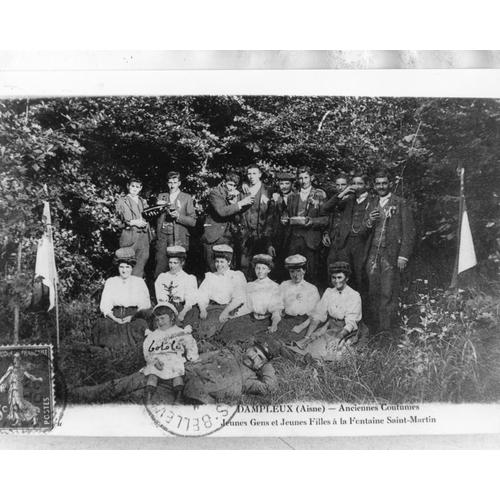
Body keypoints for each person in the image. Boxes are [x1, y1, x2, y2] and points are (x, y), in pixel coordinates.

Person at [69, 343, 277, 405]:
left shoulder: (249, 380)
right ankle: (78, 394)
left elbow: (270, 388)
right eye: (255, 351)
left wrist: (267, 365)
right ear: (249, 347)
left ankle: (92, 409)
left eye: (260, 358)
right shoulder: (226, 352)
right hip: (177, 374)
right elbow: (195, 359)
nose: (254, 357)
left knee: (136, 399)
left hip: (187, 394)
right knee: (130, 381)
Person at [364, 169, 416, 334]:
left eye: (384, 183)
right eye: (378, 184)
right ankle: (373, 330)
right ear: (374, 185)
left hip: (391, 255)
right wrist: (369, 222)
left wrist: (403, 255)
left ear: (390, 184)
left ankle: (386, 331)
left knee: (388, 292)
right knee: (373, 291)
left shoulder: (400, 202)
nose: (381, 186)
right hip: (373, 254)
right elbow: (363, 230)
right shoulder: (371, 203)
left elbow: (409, 231)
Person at [288, 261, 365, 362]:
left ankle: (316, 360)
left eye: (339, 277)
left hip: (347, 331)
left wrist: (338, 338)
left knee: (333, 350)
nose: (336, 281)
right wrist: (307, 337)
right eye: (334, 277)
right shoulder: (329, 292)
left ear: (347, 278)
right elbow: (319, 314)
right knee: (313, 346)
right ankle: (304, 356)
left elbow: (351, 323)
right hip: (332, 328)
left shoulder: (354, 296)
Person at [323, 172, 374, 296]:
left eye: (360, 184)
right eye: (354, 184)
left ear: (366, 185)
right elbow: (326, 208)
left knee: (360, 276)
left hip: (362, 243)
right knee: (347, 275)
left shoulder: (372, 200)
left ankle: (362, 310)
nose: (356, 186)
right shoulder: (349, 199)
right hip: (346, 242)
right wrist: (344, 192)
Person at [92, 247, 151, 352]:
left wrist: (132, 317)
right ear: (118, 267)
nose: (124, 270)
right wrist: (115, 319)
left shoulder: (139, 282)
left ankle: (131, 352)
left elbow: (145, 305)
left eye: (127, 267)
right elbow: (105, 305)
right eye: (121, 267)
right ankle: (112, 351)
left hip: (134, 314)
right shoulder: (111, 281)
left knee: (140, 325)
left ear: (132, 267)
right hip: (115, 314)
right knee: (102, 325)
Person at [216, 254, 282, 345]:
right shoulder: (250, 285)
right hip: (252, 318)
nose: (260, 271)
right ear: (254, 269)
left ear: (269, 270)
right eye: (258, 268)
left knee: (251, 340)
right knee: (229, 328)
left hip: (266, 321)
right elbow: (247, 307)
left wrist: (274, 324)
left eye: (263, 268)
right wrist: (234, 316)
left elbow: (276, 310)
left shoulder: (274, 287)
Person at [142, 304, 199, 403]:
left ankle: (179, 396)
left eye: (163, 318)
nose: (160, 322)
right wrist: (153, 361)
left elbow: (190, 344)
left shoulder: (180, 332)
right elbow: (147, 350)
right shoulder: (153, 335)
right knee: (152, 374)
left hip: (174, 358)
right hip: (158, 360)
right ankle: (148, 397)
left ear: (172, 317)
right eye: (157, 319)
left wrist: (192, 357)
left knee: (177, 373)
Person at [201, 171, 255, 271]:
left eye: (234, 186)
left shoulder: (234, 194)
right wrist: (239, 203)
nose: (231, 188)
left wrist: (235, 202)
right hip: (214, 236)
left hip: (229, 236)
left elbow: (239, 214)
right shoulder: (215, 193)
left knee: (227, 270)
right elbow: (221, 211)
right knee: (212, 269)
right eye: (230, 184)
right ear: (223, 182)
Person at [283, 167, 328, 285]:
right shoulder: (292, 196)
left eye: (306, 177)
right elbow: (287, 214)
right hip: (294, 239)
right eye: (301, 178)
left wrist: (312, 221)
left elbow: (326, 219)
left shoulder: (319, 194)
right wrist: (285, 219)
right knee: (294, 272)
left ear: (311, 178)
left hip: (311, 240)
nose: (303, 180)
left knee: (311, 273)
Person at [195, 244, 247, 338]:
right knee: (194, 319)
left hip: (228, 308)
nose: (219, 265)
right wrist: (202, 309)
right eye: (217, 261)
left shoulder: (235, 276)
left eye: (222, 262)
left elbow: (239, 298)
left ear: (229, 262)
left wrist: (225, 312)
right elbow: (202, 294)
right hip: (211, 308)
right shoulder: (211, 276)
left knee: (211, 327)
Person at [235, 164, 276, 279]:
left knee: (261, 268)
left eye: (254, 173)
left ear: (260, 174)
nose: (251, 176)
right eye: (249, 173)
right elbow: (237, 213)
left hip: (262, 236)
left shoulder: (269, 190)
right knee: (244, 267)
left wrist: (268, 240)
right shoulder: (242, 190)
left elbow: (271, 216)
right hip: (245, 237)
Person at [154, 171, 196, 278]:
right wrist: (156, 209)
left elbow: (193, 221)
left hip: (178, 237)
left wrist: (178, 216)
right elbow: (155, 218)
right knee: (160, 267)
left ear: (179, 183)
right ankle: (159, 293)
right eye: (169, 182)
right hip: (162, 237)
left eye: (175, 182)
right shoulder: (162, 196)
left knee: (177, 268)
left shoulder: (186, 198)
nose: (172, 185)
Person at [274, 254, 321, 342]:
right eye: (292, 271)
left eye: (299, 271)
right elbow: (277, 305)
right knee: (273, 339)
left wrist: (301, 326)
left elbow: (316, 314)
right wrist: (275, 322)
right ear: (289, 272)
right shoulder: (284, 285)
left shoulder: (311, 289)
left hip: (304, 323)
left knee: (290, 343)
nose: (296, 275)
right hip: (285, 320)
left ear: (304, 271)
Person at [115, 178, 151, 277]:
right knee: (127, 265)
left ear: (141, 188)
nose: (135, 189)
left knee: (140, 266)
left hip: (144, 238)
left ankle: (137, 288)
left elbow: (149, 216)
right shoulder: (122, 201)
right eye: (133, 186)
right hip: (129, 238)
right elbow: (117, 222)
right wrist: (132, 222)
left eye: (137, 187)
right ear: (128, 186)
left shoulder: (143, 201)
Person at [154, 246, 198, 324]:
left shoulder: (188, 278)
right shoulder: (162, 277)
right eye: (170, 262)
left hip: (181, 309)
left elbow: (190, 301)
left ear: (182, 263)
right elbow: (160, 298)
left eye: (175, 263)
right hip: (165, 308)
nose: (172, 266)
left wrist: (182, 313)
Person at [0, 353, 43, 426]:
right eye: (15, 358)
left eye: (17, 358)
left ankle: (34, 415)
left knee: (21, 404)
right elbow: (5, 376)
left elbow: (29, 376)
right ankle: (18, 420)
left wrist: (37, 379)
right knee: (13, 403)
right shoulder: (11, 368)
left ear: (19, 360)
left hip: (18, 387)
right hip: (12, 388)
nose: (15, 360)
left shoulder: (22, 368)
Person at [271, 170, 296, 281]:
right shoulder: (275, 198)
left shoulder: (297, 197)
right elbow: (269, 221)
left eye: (287, 183)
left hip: (292, 240)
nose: (284, 186)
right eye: (281, 183)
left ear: (291, 184)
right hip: (277, 240)